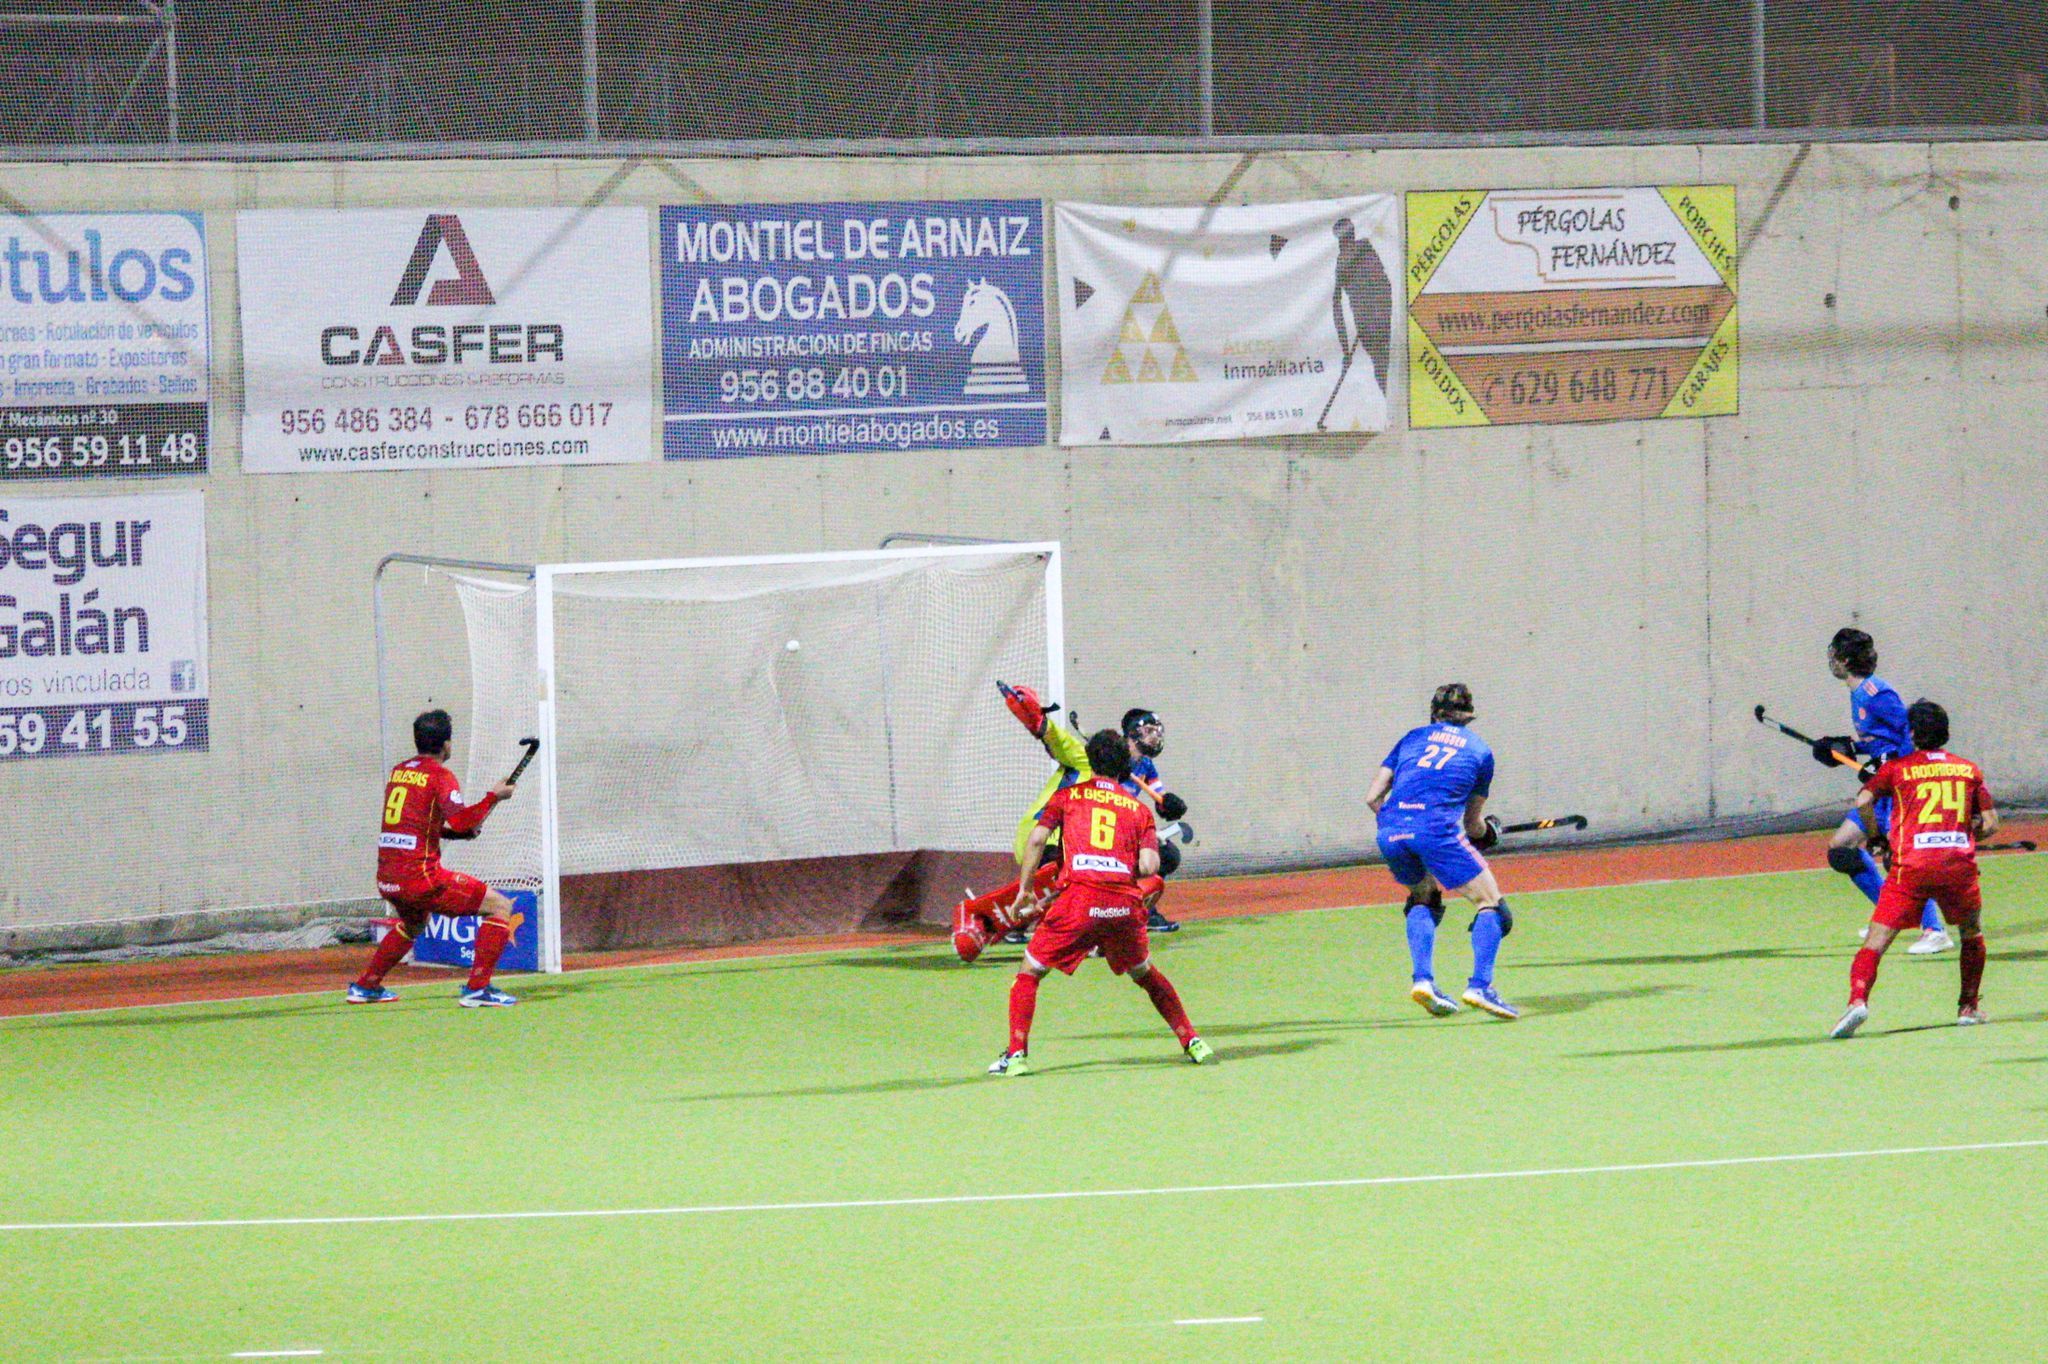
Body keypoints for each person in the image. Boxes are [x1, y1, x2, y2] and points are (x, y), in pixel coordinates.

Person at [986, 728, 1212, 1075]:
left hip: (1077, 901)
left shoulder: (1068, 797)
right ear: (1124, 766)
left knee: (1029, 972)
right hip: (1122, 906)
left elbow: (1036, 840)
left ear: (1091, 762)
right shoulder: (1138, 810)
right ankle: (1193, 1041)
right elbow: (1151, 867)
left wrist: (1025, 890)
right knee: (1145, 974)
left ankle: (1016, 1056)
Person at [952, 684, 1186, 959]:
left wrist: (1163, 809)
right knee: (1083, 871)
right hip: (1047, 837)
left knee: (1154, 857)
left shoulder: (1123, 784)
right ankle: (1075, 925)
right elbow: (1051, 734)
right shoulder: (1080, 756)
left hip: (1080, 846)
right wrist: (1032, 716)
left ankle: (1094, 924)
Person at [1829, 700, 1995, 1038]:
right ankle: (1967, 1007)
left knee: (1876, 940)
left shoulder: (1899, 769)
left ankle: (1858, 1001)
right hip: (1958, 867)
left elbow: (1863, 803)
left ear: (1914, 733)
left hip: (1911, 868)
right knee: (1971, 933)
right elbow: (1990, 825)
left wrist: (1877, 839)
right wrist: (1967, 831)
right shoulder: (1969, 770)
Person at [1365, 683, 1519, 1020]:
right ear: (1467, 717)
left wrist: (1400, 824)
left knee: (1424, 896)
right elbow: (1473, 824)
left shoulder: (1411, 738)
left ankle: (1423, 981)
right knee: (1490, 903)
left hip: (1390, 831)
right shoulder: (1480, 751)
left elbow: (1373, 797)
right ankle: (1480, 986)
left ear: (1434, 712)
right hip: (1435, 831)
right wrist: (1489, 833)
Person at [348, 708, 521, 1007]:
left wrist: (456, 836)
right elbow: (463, 821)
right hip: (420, 879)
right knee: (499, 906)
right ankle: (478, 989)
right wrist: (494, 796)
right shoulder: (440, 776)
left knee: (414, 925)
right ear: (446, 745)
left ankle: (366, 986)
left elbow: (418, 826)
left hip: (388, 878)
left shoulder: (399, 771)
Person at [1813, 629, 1950, 954]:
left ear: (1844, 660)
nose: (1830, 660)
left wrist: (1889, 764)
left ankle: (1935, 929)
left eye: (1833, 654)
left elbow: (1911, 736)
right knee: (1841, 851)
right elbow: (1882, 740)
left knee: (1897, 858)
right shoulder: (1859, 692)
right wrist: (1845, 747)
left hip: (1898, 786)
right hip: (1883, 784)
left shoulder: (1877, 694)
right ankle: (1892, 915)